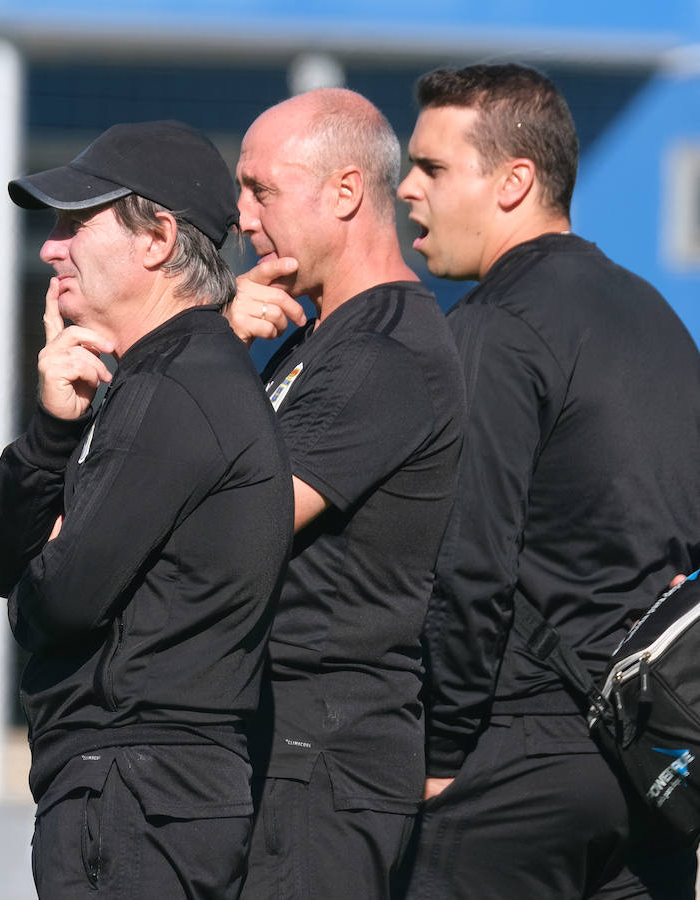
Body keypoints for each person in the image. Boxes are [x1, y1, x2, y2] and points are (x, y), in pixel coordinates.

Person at [397, 63, 700, 899]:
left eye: (430, 168)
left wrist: (441, 755)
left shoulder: (494, 329)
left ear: (513, 182)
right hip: (653, 766)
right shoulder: (654, 316)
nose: (403, 190)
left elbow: (465, 562)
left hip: (519, 754)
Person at [0, 120, 293, 900]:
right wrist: (52, 433)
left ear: (156, 240)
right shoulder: (144, 383)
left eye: (74, 223)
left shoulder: (178, 388)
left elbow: (60, 599)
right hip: (128, 792)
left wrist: (41, 571)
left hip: (142, 798)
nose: (50, 250)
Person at [225, 88, 465, 900]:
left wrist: (193, 353)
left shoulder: (383, 352)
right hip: (283, 742)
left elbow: (232, 523)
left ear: (345, 191)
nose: (242, 216)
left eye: (261, 189)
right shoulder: (310, 337)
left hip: (325, 753)